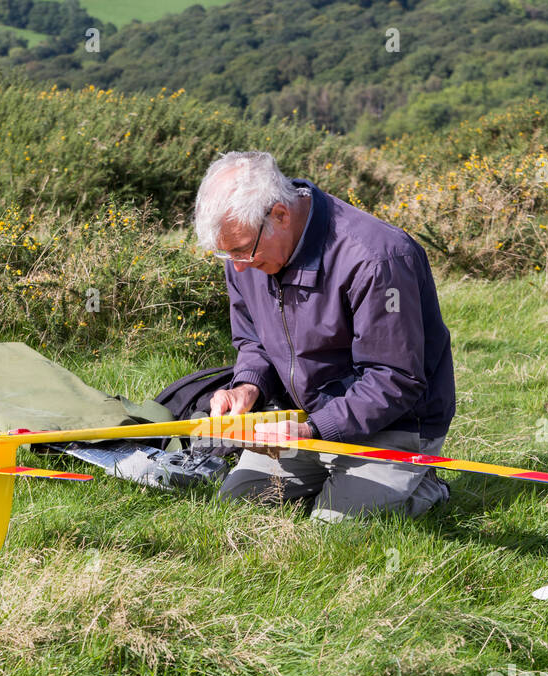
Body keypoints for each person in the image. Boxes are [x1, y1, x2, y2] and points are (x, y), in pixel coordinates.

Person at [193, 151, 455, 522]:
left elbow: (395, 379)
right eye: (226, 253)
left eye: (241, 250)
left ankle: (424, 485)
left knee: (334, 525)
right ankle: (333, 475)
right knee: (239, 502)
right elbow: (253, 342)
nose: (237, 266)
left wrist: (313, 429)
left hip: (394, 424)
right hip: (305, 419)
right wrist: (248, 386)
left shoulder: (377, 259)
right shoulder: (247, 251)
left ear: (280, 215)